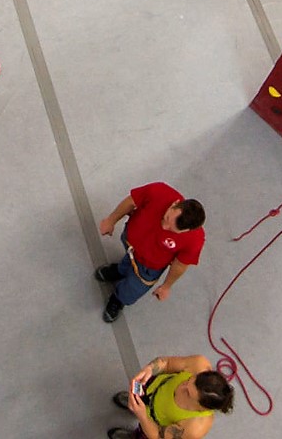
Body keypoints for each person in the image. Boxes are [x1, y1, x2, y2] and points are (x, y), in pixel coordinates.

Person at [93, 182, 206, 323]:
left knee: (133, 289)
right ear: (175, 204)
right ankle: (120, 270)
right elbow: (130, 202)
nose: (164, 226)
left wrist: (166, 286)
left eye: (172, 229)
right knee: (127, 260)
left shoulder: (195, 240)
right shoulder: (158, 191)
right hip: (130, 243)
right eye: (167, 219)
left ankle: (118, 299)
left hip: (149, 267)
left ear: (187, 230)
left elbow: (180, 265)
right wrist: (111, 220)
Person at [108, 355, 234, 439]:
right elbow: (167, 363)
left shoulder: (195, 427)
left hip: (153, 423)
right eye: (189, 379)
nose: (181, 386)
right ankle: (136, 401)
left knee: (143, 436)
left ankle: (133, 436)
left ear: (201, 408)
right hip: (154, 387)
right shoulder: (199, 364)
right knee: (138, 395)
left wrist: (142, 416)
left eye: (188, 393)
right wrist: (150, 369)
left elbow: (158, 435)